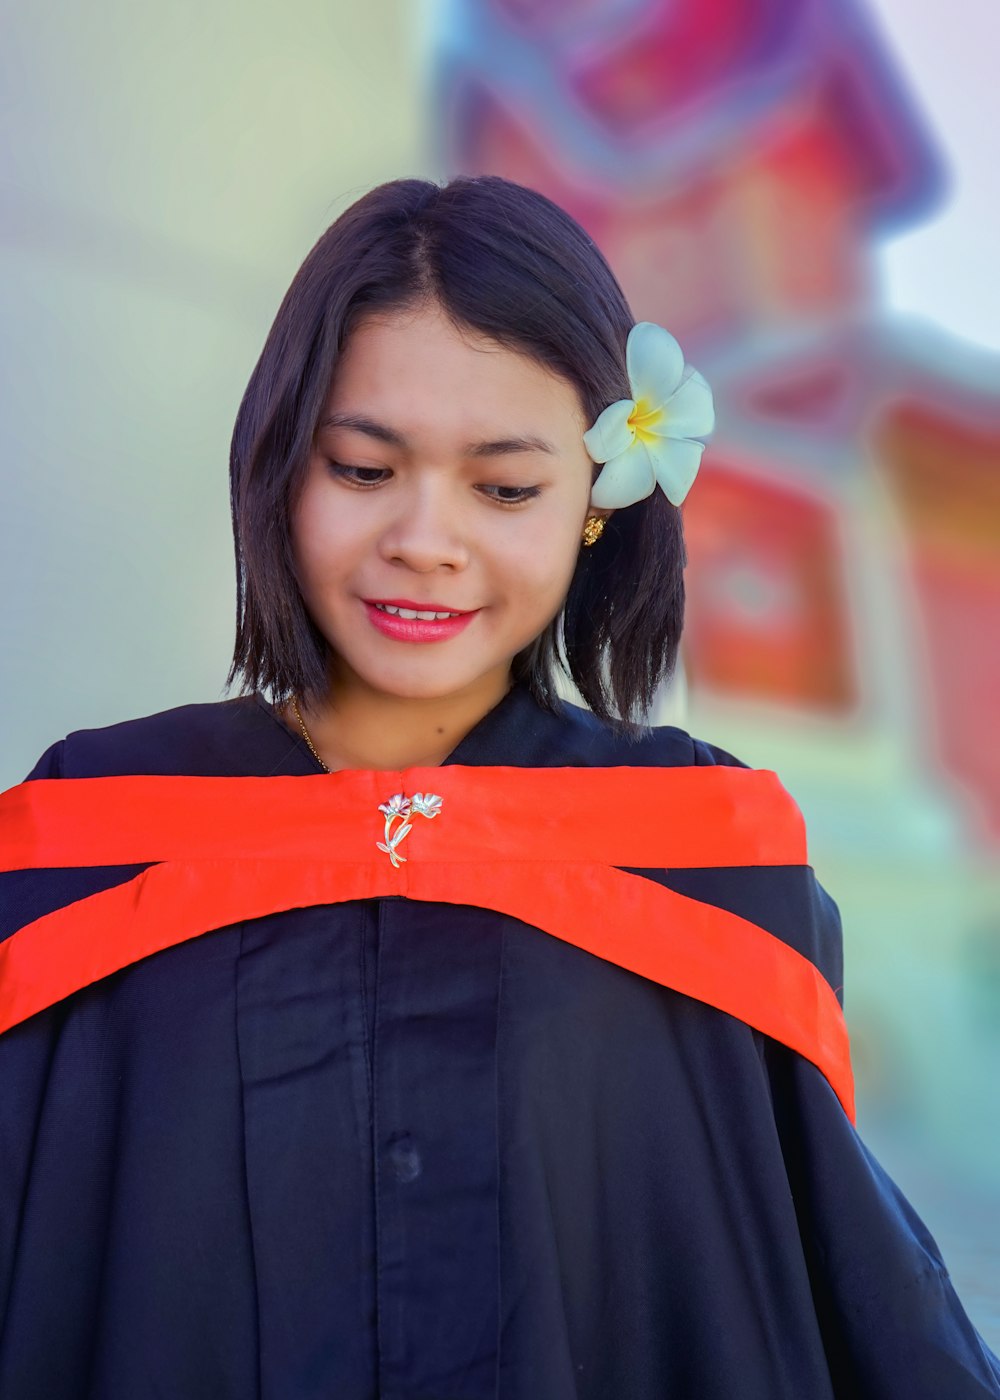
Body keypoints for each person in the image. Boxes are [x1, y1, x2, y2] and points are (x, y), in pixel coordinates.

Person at [0, 174, 997, 1400]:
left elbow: (812, 1288)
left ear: (595, 505)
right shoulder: (94, 825)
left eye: (505, 485)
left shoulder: (703, 848)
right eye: (363, 468)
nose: (425, 535)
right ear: (279, 467)